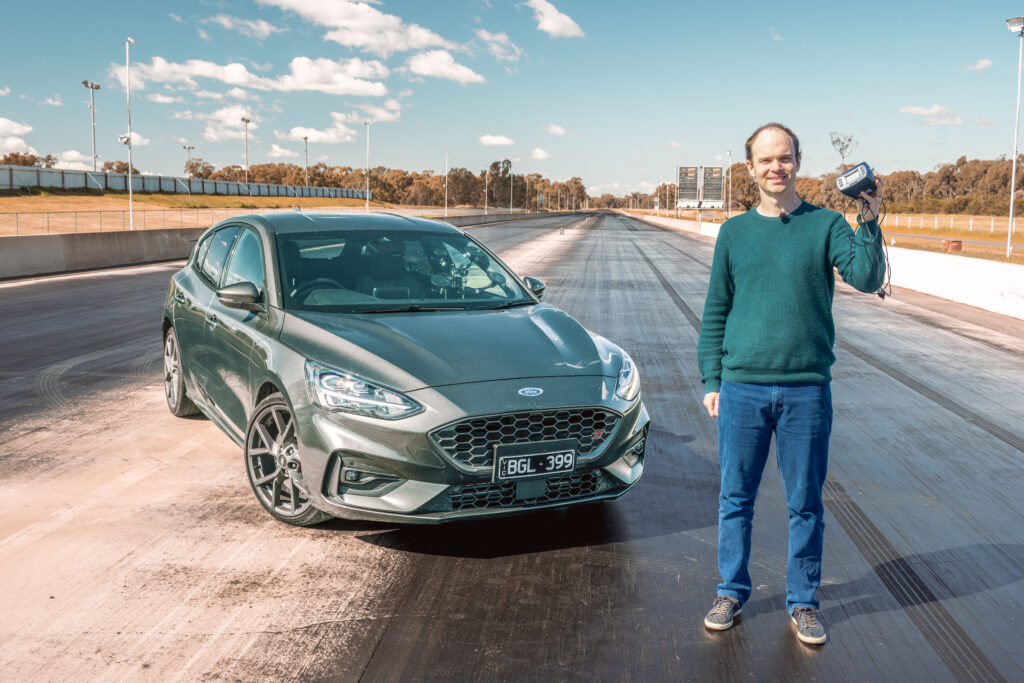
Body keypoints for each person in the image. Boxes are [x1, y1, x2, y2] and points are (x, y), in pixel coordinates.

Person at [696, 122, 885, 645]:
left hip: (806, 390)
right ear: (751, 168)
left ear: (798, 162)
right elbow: (716, 310)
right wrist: (712, 377)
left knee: (806, 503)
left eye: (784, 158)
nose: (775, 167)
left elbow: (867, 278)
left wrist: (869, 216)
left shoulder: (826, 225)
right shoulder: (734, 232)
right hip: (742, 389)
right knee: (736, 498)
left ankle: (803, 601)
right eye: (765, 160)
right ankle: (731, 589)